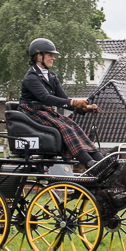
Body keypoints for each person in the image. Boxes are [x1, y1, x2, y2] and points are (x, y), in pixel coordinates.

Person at [20, 38, 104, 169]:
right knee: (66, 128)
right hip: (32, 112)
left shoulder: (51, 76)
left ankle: (101, 160)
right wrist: (74, 102)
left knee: (73, 125)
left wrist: (84, 108)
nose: (53, 58)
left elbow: (63, 98)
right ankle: (89, 163)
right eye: (50, 55)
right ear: (38, 56)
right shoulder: (31, 77)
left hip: (46, 112)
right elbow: (45, 98)